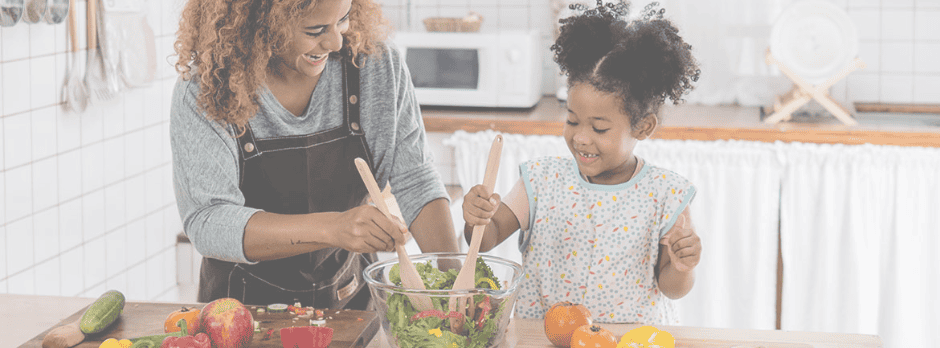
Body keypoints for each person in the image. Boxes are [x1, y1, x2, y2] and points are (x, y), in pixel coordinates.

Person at [170, 0, 459, 310]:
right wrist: (333, 229)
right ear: (261, 20)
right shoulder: (208, 89)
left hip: (349, 299)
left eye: (343, 19)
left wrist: (458, 288)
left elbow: (415, 179)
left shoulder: (376, 66)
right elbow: (208, 221)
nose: (335, 42)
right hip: (239, 312)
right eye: (315, 30)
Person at [461, 0, 702, 324]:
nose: (581, 137)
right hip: (545, 341)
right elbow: (486, 237)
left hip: (627, 344)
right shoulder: (541, 181)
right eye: (573, 120)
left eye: (599, 127)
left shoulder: (665, 195)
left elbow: (672, 288)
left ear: (643, 127)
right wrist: (477, 216)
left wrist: (683, 267)